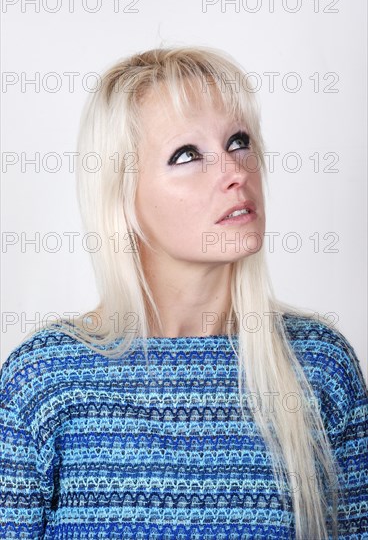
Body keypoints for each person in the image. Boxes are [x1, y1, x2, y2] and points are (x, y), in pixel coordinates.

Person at [0, 46, 367, 540]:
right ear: (124, 198)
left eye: (239, 141)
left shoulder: (320, 366)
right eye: (187, 155)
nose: (235, 171)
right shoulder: (43, 381)